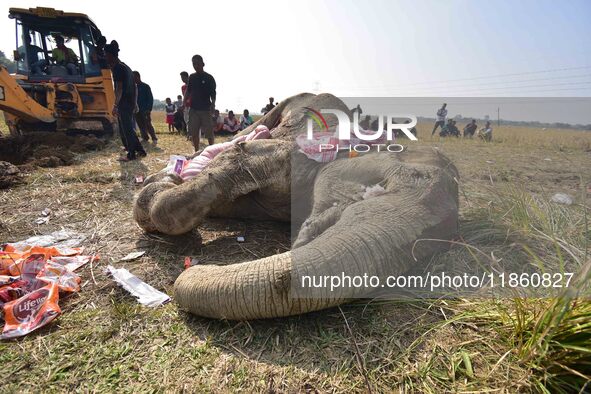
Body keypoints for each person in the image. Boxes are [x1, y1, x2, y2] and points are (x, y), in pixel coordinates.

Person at [104, 41, 146, 161]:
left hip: (124, 102)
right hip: (130, 101)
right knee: (127, 128)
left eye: (105, 54)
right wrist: (135, 103)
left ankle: (131, 154)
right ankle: (141, 150)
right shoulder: (126, 67)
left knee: (126, 129)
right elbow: (135, 87)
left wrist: (115, 105)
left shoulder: (118, 68)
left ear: (110, 55)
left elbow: (119, 89)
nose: (105, 57)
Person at [183, 54, 216, 151]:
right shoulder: (192, 77)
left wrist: (213, 104)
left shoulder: (209, 78)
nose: (196, 66)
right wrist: (184, 102)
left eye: (198, 64)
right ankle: (196, 151)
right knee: (194, 132)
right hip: (194, 109)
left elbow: (213, 93)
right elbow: (188, 91)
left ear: (203, 64)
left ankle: (211, 150)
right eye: (194, 64)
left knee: (209, 133)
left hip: (206, 109)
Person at [133, 71, 157, 145]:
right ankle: (145, 138)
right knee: (140, 125)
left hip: (145, 110)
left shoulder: (145, 86)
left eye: (134, 77)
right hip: (136, 110)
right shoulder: (133, 87)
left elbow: (150, 98)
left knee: (148, 124)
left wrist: (148, 109)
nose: (133, 79)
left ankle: (154, 138)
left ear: (138, 77)